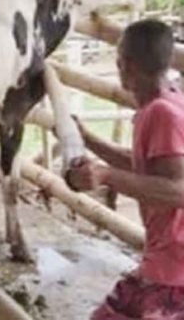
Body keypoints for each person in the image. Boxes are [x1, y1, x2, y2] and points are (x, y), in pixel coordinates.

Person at [67, 19, 184, 319]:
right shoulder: (167, 102)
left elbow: (178, 189)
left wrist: (106, 176)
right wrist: (88, 140)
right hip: (166, 261)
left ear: (125, 65)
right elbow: (147, 167)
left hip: (173, 271)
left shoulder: (162, 113)